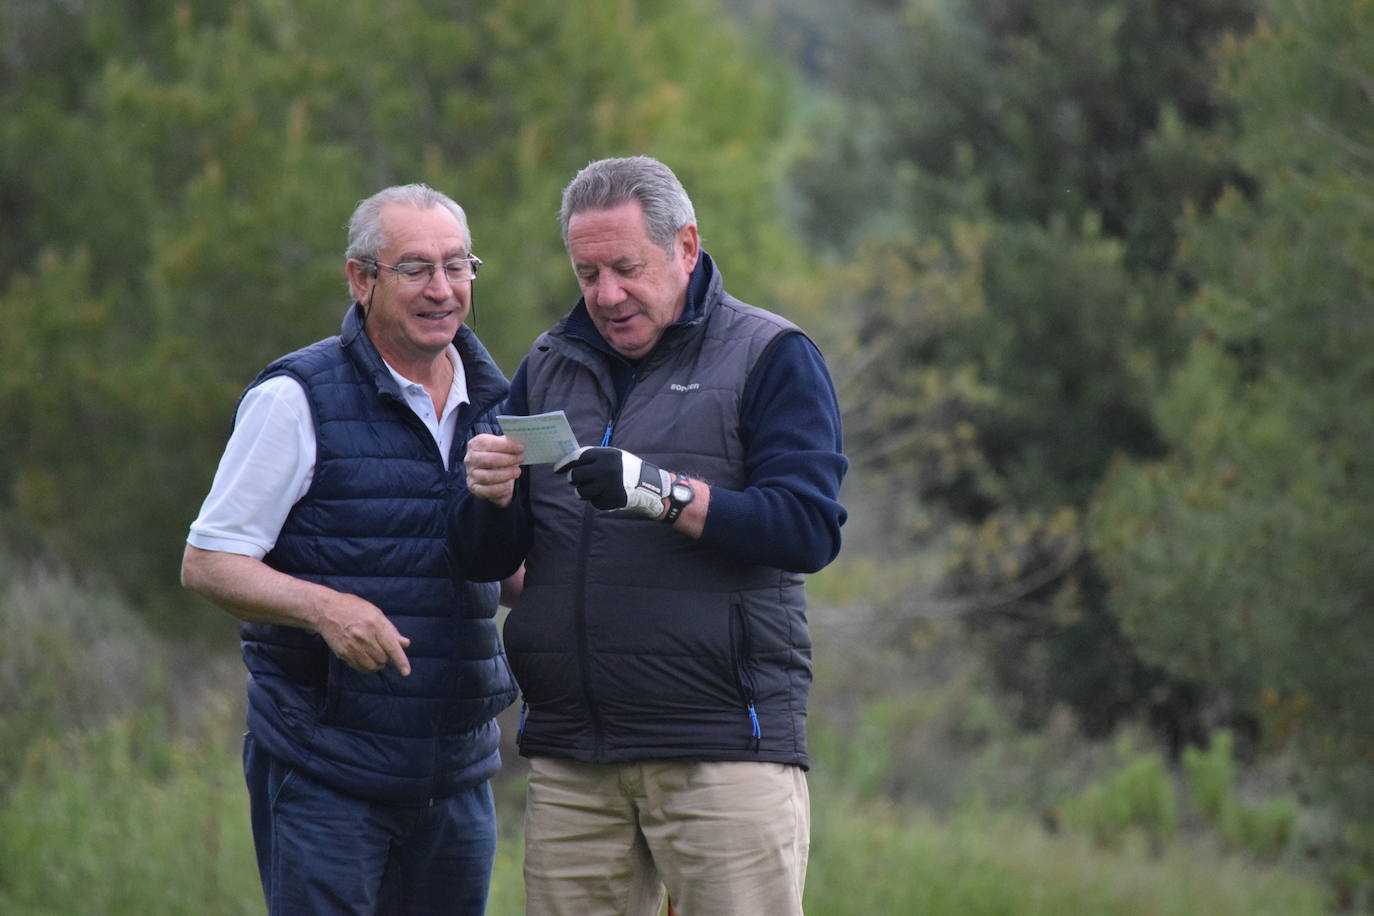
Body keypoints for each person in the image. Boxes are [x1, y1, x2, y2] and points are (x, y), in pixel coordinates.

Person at [457, 156, 848, 915]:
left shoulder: (771, 355)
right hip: (575, 755)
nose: (606, 295)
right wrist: (487, 496)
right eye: (587, 273)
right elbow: (487, 560)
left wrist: (660, 493)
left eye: (626, 268)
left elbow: (808, 529)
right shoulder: (548, 364)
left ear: (687, 247)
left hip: (721, 748)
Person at [180, 183, 519, 915]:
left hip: (457, 774)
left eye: (458, 267)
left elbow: (513, 574)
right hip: (325, 770)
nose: (443, 289)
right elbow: (208, 561)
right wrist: (327, 608)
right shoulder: (296, 398)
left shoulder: (502, 404)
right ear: (361, 280)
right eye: (416, 269)